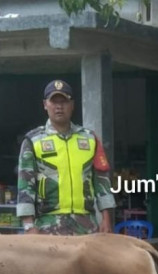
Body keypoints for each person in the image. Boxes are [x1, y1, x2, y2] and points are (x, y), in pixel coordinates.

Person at [16, 80, 115, 235]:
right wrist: (28, 225)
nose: (59, 106)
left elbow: (101, 180)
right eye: (54, 101)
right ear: (45, 104)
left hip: (86, 225)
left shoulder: (90, 139)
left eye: (64, 101)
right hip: (47, 225)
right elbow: (25, 186)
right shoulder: (33, 140)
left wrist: (106, 218)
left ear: (72, 105)